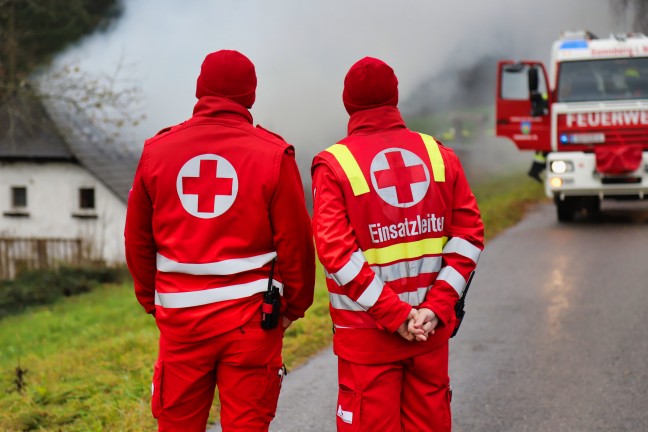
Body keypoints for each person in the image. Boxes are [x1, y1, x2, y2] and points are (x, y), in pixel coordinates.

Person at [125, 50, 315, 432]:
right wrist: (295, 306)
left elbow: (137, 240)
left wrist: (153, 302)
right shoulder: (274, 154)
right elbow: (296, 242)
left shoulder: (156, 151)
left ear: (199, 89)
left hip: (181, 323)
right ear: (251, 96)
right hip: (252, 324)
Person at [311, 57, 484, 432]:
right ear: (395, 97)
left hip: (368, 340)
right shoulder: (439, 154)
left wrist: (395, 315)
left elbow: (337, 255)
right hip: (429, 334)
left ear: (347, 103)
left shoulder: (334, 165)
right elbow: (469, 238)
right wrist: (434, 308)